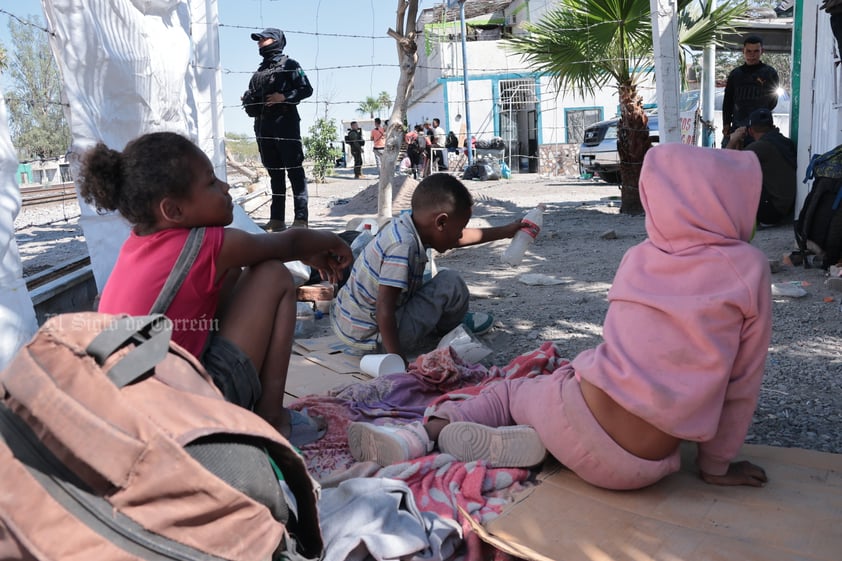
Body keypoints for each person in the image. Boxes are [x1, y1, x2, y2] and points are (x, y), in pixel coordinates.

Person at [348, 143, 773, 492]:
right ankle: (530, 444)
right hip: (642, 466)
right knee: (567, 396)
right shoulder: (749, 269)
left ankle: (426, 433)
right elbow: (741, 383)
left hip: (578, 420)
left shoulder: (639, 258)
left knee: (513, 392)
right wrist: (717, 467)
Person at [81, 132, 353, 446]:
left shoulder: (138, 247)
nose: (225, 188)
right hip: (183, 423)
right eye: (211, 183)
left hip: (135, 420)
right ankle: (273, 422)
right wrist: (335, 241)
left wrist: (301, 250)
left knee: (236, 272)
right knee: (273, 275)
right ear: (173, 210)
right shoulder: (207, 246)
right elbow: (288, 243)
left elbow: (279, 248)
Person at [331, 173, 524, 361]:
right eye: (458, 230)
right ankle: (444, 332)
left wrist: (507, 231)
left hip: (354, 325)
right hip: (373, 337)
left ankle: (436, 329)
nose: (459, 235)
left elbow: (459, 238)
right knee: (451, 283)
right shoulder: (402, 247)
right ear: (441, 222)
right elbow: (384, 309)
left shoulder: (408, 226)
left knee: (444, 280)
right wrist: (396, 360)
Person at [243, 28, 313, 232]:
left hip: (286, 123)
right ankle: (277, 219)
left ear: (276, 41)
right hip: (263, 126)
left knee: (294, 171)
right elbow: (254, 95)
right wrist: (249, 99)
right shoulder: (259, 71)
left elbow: (306, 89)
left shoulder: (290, 65)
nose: (260, 43)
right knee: (274, 173)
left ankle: (301, 219)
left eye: (263, 39)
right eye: (259, 40)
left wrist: (284, 97)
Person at [725, 108, 797, 226]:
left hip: (773, 212)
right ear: (772, 126)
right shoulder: (782, 141)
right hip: (787, 208)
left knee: (731, 181)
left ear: (751, 130)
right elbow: (740, 163)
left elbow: (726, 163)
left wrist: (733, 141)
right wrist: (740, 143)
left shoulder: (762, 146)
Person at [722, 35, 780, 148]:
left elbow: (773, 101)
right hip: (737, 128)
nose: (751, 55)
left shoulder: (769, 73)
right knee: (728, 160)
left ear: (762, 51)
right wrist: (726, 123)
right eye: (748, 51)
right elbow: (728, 101)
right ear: (743, 51)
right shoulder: (735, 74)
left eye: (756, 51)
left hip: (760, 131)